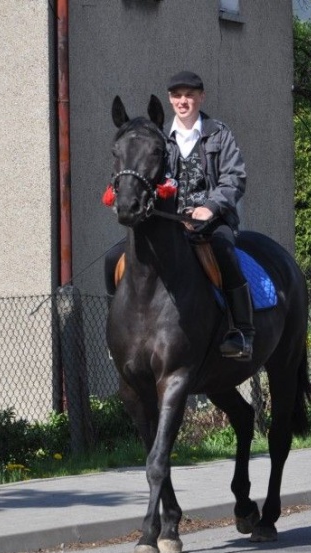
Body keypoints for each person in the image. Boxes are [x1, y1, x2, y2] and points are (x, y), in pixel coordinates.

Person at [105, 70, 254, 360]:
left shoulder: (219, 134)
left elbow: (234, 178)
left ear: (201, 97)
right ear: (170, 100)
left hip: (212, 222)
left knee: (225, 251)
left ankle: (241, 331)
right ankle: (117, 334)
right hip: (171, 223)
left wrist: (209, 207)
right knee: (113, 258)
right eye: (177, 95)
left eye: (189, 95)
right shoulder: (160, 139)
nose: (183, 101)